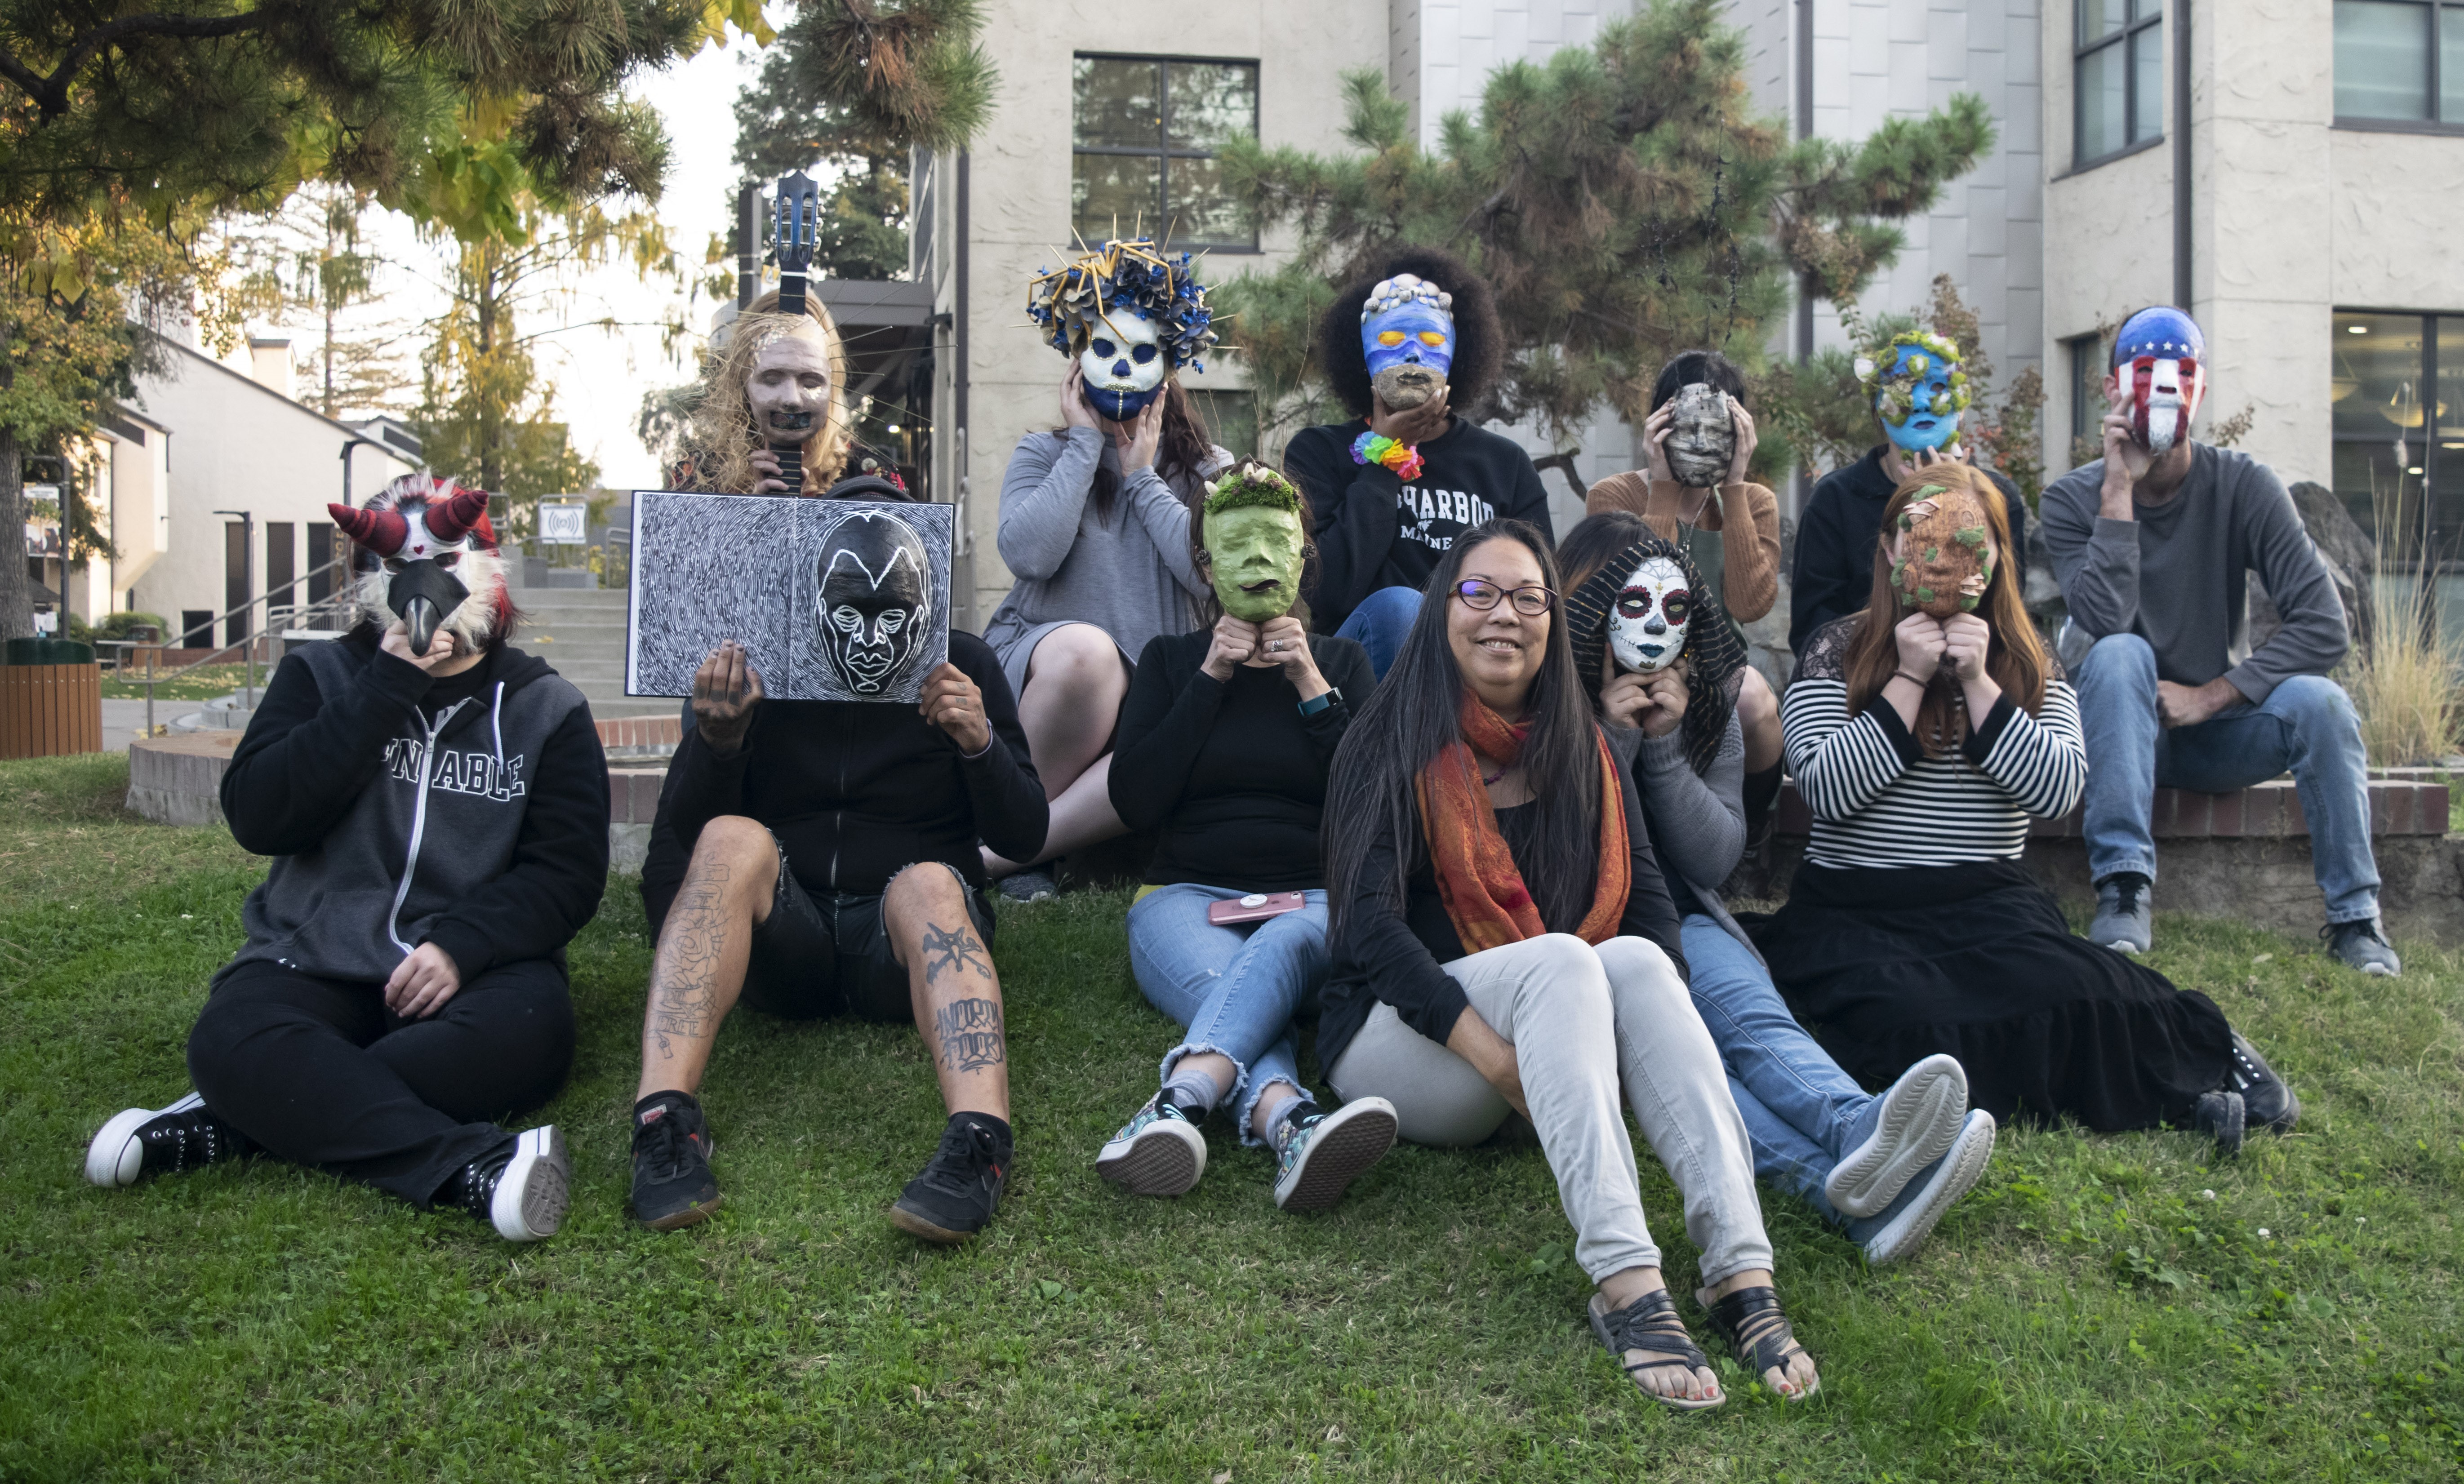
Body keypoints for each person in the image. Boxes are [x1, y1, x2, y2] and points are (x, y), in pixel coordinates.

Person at [1315, 518, 1819, 1411]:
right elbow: (1365, 932)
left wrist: (1633, 1034)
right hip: (1397, 1045)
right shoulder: (1387, 736)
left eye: (1526, 596)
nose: (1501, 615)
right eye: (1478, 593)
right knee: (1562, 960)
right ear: (1442, 612)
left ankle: (1739, 1271)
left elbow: (1654, 912)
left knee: (1628, 958)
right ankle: (1627, 1281)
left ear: (1554, 620)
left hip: (1543, 1034)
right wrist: (1500, 1064)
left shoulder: (1578, 744)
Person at [85, 475, 609, 1243]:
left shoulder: (545, 708)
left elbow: (565, 874)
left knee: (532, 1036)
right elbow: (261, 815)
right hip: (314, 956)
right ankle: (474, 1166)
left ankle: (239, 1115)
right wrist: (385, 689)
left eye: (449, 563)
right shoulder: (321, 676)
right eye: (400, 569)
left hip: (479, 973)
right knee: (230, 1036)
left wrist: (463, 945)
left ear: (486, 573)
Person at [1757, 464, 2300, 1155]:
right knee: (1908, 1025)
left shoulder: (2027, 660)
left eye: (1967, 543)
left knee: (2079, 993)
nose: (1943, 559)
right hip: (1858, 906)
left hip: (1989, 901)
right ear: (1891, 551)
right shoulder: (1836, 650)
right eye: (1920, 540)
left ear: (1993, 557)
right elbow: (1828, 789)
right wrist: (1909, 678)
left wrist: (1979, 684)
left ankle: (2212, 1054)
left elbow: (2056, 791)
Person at [1555, 514, 1993, 1265]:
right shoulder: (1531, 704)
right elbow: (1559, 853)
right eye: (1620, 602)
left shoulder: (1702, 700)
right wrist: (1609, 733)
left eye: (1669, 605)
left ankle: (1858, 1128)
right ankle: (1843, 1192)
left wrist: (1661, 747)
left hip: (1681, 915)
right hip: (1579, 941)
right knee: (1695, 1073)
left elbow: (1715, 855)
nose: (1648, 624)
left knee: (1755, 1026)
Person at [626, 536, 1050, 1241]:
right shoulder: (760, 661)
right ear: (813, 601)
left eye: (893, 615)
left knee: (929, 886)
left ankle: (982, 1137)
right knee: (733, 840)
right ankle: (661, 1117)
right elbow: (692, 832)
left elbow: (1025, 834)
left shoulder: (962, 662)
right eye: (850, 614)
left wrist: (979, 742)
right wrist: (719, 742)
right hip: (783, 937)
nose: (872, 637)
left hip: (899, 940)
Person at [2040, 306, 2397, 975]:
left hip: (2211, 734)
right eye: (2145, 376)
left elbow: (2324, 624)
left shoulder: (2245, 486)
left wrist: (2211, 695)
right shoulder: (2069, 501)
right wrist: (2118, 488)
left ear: (2198, 389)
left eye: (2177, 377)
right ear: (2116, 389)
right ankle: (2122, 886)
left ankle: (2356, 919)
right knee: (2121, 654)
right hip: (2114, 732)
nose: (2162, 394)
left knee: (2320, 703)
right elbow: (2102, 623)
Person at [1098, 462, 1396, 1209]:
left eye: (1276, 542)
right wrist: (1210, 678)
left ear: (1301, 555)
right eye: (1237, 545)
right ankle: (1287, 1119)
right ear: (1204, 562)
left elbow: (1375, 807)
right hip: (1186, 896)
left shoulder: (1343, 662)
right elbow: (1134, 798)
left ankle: (1179, 1101)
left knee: (1286, 941)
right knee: (1229, 983)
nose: (1259, 563)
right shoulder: (1170, 662)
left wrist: (1309, 687)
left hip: (1315, 897)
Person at [981, 239, 1232, 901]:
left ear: (1169, 367)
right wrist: (1085, 445)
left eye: (1142, 354)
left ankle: (1001, 854)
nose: (1122, 369)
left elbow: (1211, 574)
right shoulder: (1042, 452)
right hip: (1052, 669)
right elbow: (1028, 553)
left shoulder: (1209, 469)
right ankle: (1016, 833)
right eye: (1106, 349)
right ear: (1076, 360)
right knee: (1089, 657)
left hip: (1154, 691)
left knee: (1176, 729)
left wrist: (1142, 479)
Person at [1282, 247, 1552, 677]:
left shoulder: (1504, 464)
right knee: (1399, 608)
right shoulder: (1318, 452)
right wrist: (1385, 459)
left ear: (1461, 354)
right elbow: (1324, 591)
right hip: (1364, 676)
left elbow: (1539, 598)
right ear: (1361, 355)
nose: (1412, 356)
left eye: (1430, 341)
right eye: (1391, 340)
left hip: (1475, 667)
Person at [1582, 351, 1786, 837]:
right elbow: (1631, 593)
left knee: (1756, 700)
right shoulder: (1614, 496)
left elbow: (1749, 603)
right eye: (1684, 427)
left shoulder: (1754, 502)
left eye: (1716, 430)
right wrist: (1662, 488)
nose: (1699, 441)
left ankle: (1751, 835)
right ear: (1660, 425)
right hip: (1628, 660)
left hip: (1715, 665)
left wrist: (1734, 488)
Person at [1790, 327, 2031, 654]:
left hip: (1974, 673)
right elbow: (1812, 630)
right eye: (1903, 388)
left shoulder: (1998, 498)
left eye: (1937, 387)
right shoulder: (1836, 499)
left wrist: (1958, 507)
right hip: (1865, 679)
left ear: (1961, 404)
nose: (1920, 404)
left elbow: (2008, 616)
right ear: (1877, 403)